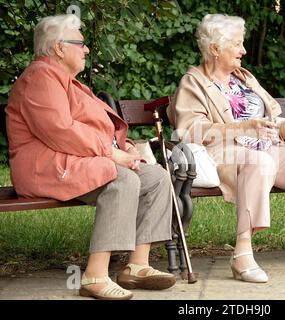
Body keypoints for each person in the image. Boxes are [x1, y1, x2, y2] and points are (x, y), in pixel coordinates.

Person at [168, 13, 285, 283]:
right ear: (214, 48)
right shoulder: (194, 82)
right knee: (259, 163)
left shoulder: (244, 78)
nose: (243, 51)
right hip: (224, 154)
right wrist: (244, 129)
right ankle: (242, 253)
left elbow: (269, 120)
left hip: (263, 148)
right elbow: (190, 130)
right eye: (236, 44)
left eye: (242, 43)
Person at [5, 14, 176, 300]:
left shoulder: (67, 81)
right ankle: (95, 275)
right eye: (81, 44)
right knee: (121, 179)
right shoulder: (39, 77)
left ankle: (137, 265)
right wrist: (112, 155)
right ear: (59, 48)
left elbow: (99, 128)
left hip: (77, 160)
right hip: (46, 165)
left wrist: (128, 148)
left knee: (155, 176)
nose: (86, 50)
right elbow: (60, 131)